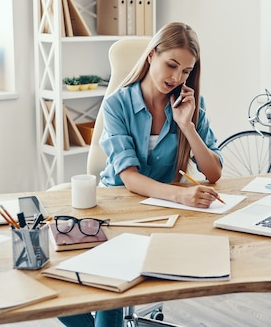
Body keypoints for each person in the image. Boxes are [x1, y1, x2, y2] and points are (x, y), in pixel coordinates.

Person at [58, 22, 223, 327]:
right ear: (151, 55)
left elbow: (213, 173)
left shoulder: (189, 105)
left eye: (186, 71)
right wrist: (181, 194)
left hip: (163, 213)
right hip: (117, 210)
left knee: (112, 283)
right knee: (57, 281)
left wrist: (187, 126)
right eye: (171, 65)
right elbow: (129, 177)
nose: (176, 78)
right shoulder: (117, 104)